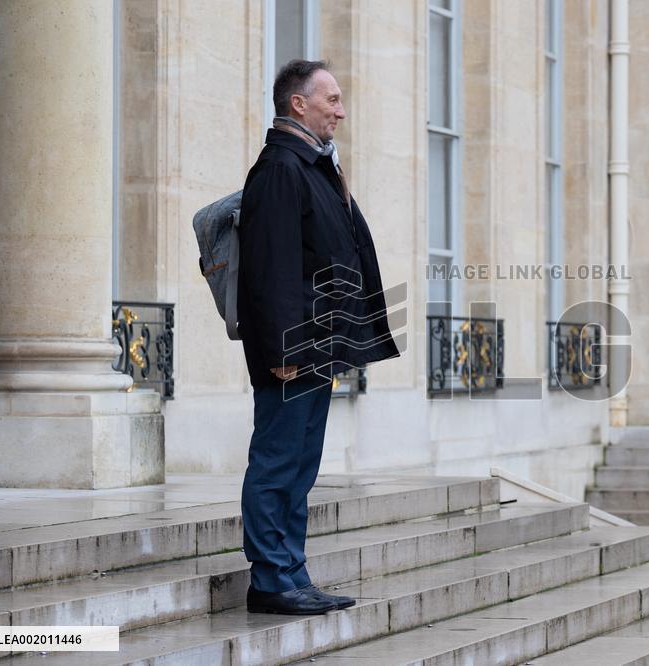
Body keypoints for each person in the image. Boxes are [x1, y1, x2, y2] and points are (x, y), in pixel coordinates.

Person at [237, 59, 400, 615]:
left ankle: (293, 572)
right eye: (331, 98)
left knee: (301, 464)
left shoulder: (313, 167)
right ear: (297, 104)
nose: (341, 109)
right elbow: (271, 267)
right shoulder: (282, 168)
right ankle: (270, 579)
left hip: (315, 346)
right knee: (278, 461)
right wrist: (285, 349)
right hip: (293, 350)